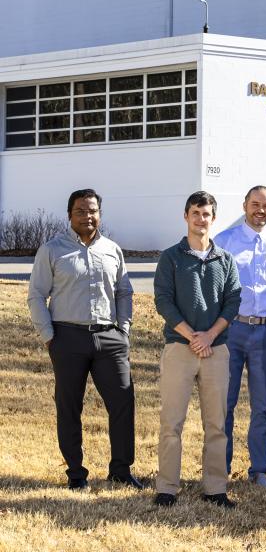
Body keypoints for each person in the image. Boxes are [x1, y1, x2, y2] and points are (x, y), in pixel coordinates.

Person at [27, 188, 140, 490]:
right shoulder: (52, 250)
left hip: (109, 338)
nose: (87, 216)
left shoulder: (113, 250)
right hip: (67, 338)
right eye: (80, 211)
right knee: (69, 407)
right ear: (69, 215)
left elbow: (124, 291)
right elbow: (36, 294)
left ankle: (120, 470)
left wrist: (123, 330)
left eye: (92, 211)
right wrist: (49, 337)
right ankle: (76, 473)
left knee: (123, 402)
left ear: (99, 214)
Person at [153, 190, 242, 507]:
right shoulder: (171, 257)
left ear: (213, 219)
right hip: (179, 347)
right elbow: (163, 301)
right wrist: (192, 335)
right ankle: (167, 487)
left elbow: (232, 303)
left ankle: (216, 489)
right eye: (195, 212)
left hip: (216, 351)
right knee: (171, 422)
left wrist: (209, 336)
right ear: (186, 216)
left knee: (216, 424)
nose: (200, 219)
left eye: (206, 214)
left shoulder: (225, 260)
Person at [213, 185, 266, 489]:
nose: (261, 210)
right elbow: (214, 287)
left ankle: (259, 470)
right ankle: (219, 468)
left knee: (262, 405)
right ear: (245, 205)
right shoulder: (225, 242)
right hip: (231, 332)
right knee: (225, 402)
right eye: (255, 204)